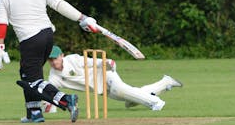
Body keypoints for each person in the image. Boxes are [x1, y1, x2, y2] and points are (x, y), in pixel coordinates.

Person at [0, 0, 99, 123]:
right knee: (28, 75)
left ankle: (66, 100)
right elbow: (59, 4)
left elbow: (1, 23)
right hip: (48, 36)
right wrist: (82, 18)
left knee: (32, 80)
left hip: (30, 39)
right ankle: (34, 112)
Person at [43, 45, 182, 113]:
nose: (54, 62)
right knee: (130, 101)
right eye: (50, 60)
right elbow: (50, 91)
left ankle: (155, 102)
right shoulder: (54, 76)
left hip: (105, 74)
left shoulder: (73, 59)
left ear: (61, 55)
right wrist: (48, 106)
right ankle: (165, 82)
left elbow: (93, 61)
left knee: (121, 89)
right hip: (101, 89)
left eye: (55, 58)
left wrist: (108, 62)